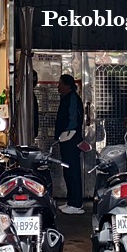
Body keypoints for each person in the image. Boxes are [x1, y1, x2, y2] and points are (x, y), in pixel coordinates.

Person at [55, 74, 85, 215]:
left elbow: (73, 119)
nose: (58, 87)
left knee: (73, 170)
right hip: (65, 139)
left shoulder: (72, 98)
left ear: (67, 85)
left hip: (71, 139)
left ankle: (76, 203)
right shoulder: (66, 98)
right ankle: (70, 200)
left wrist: (67, 134)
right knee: (67, 170)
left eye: (60, 84)